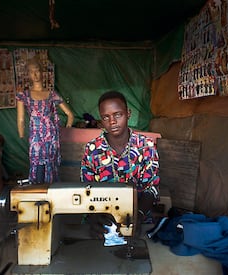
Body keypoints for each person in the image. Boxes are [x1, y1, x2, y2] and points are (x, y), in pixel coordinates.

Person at [80, 90, 160, 239]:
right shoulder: (92, 149)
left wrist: (139, 216)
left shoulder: (145, 147)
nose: (112, 122)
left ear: (128, 114)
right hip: (102, 223)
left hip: (139, 220)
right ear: (101, 120)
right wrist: (94, 217)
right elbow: (87, 190)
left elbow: (152, 189)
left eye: (118, 115)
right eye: (106, 117)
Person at [16, 56, 74, 184]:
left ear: (42, 72)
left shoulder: (52, 94)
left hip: (51, 135)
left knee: (51, 164)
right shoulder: (24, 95)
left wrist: (65, 130)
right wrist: (21, 132)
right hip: (35, 136)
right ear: (28, 75)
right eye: (31, 71)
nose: (35, 74)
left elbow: (70, 114)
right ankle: (38, 191)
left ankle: (51, 192)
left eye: (37, 70)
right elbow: (20, 119)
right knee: (37, 164)